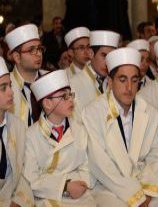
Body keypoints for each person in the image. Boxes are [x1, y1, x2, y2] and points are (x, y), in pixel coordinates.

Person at [82, 47, 158, 207]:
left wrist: (147, 193)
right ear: (110, 82)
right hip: (109, 188)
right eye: (122, 79)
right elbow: (100, 164)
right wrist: (134, 195)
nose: (129, 87)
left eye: (134, 80)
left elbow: (157, 158)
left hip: (146, 185)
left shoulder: (150, 113)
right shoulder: (92, 113)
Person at [23, 70, 95, 207]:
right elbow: (30, 178)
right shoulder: (31, 136)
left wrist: (77, 185)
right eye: (64, 96)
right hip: (46, 198)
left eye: (70, 95)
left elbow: (88, 166)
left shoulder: (80, 129)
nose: (71, 99)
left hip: (80, 195)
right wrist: (64, 186)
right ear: (47, 104)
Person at [0, 57, 34, 207]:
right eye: (3, 88)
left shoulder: (17, 125)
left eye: (10, 85)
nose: (11, 92)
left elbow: (25, 171)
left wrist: (19, 201)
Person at [70, 30, 120, 119]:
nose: (108, 62)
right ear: (91, 53)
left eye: (111, 57)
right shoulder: (73, 84)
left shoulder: (118, 83)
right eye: (104, 55)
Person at [5, 24, 45, 127]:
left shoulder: (51, 79)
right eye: (32, 50)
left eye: (39, 48)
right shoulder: (4, 87)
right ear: (17, 57)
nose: (39, 54)